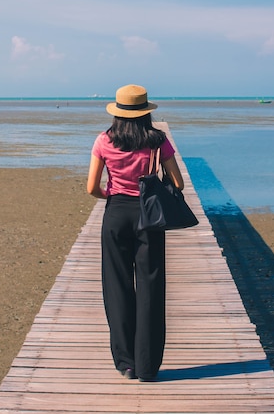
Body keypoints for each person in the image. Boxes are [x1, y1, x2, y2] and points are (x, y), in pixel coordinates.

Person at [87, 84, 184, 382]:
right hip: (149, 215)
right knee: (151, 287)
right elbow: (177, 183)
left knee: (117, 287)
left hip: (116, 214)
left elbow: (91, 188)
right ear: (145, 112)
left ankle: (126, 363)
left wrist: (113, 196)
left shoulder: (104, 140)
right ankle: (147, 366)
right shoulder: (158, 140)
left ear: (117, 112)